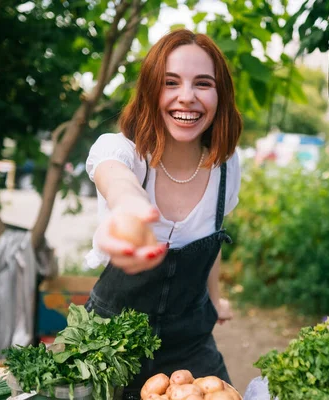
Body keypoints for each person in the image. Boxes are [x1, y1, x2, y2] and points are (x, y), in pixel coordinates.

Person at [84, 29, 243, 397]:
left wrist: (215, 301)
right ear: (151, 90)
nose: (186, 97)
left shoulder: (227, 166)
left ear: (220, 96)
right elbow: (117, 181)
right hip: (108, 347)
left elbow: (212, 239)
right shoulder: (122, 151)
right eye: (170, 82)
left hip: (190, 344)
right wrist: (130, 210)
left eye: (203, 83)